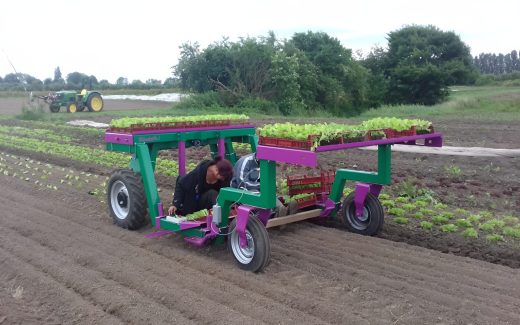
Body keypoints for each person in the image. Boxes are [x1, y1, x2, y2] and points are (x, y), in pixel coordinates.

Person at [230, 153, 296, 217]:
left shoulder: (263, 163)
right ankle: (277, 212)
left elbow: (263, 180)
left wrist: (270, 185)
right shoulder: (246, 161)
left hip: (255, 188)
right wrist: (262, 186)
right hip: (240, 191)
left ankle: (281, 210)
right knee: (264, 197)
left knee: (269, 194)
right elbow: (242, 182)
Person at [167, 156, 233, 216]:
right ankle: (220, 216)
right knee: (212, 193)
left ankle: (222, 214)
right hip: (192, 204)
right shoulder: (199, 171)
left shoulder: (223, 179)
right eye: (223, 176)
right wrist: (175, 204)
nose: (223, 178)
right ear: (217, 170)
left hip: (208, 204)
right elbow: (181, 183)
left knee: (215, 195)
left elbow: (225, 192)